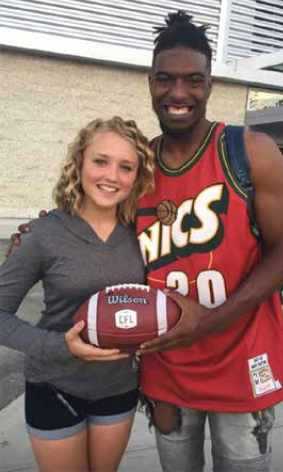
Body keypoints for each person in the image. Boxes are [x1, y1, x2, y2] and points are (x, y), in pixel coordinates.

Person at [135, 10, 283, 472]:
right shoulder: (136, 165)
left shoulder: (249, 150)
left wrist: (212, 319)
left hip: (242, 362)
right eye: (165, 79)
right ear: (150, 82)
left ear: (210, 84)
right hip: (167, 371)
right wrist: (46, 235)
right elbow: (100, 238)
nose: (178, 94)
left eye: (193, 80)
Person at [0, 116, 154, 472]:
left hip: (118, 387)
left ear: (137, 177)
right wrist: (58, 346)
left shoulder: (144, 235)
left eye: (126, 167)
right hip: (55, 385)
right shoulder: (43, 234)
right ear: (80, 162)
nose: (112, 176)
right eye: (101, 161)